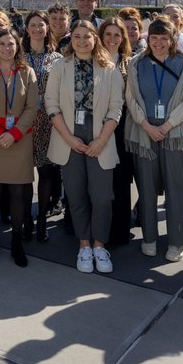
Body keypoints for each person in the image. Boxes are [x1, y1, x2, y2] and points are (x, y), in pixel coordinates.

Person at [46, 20, 124, 274]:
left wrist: (101, 140)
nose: (81, 41)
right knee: (77, 197)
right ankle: (84, 245)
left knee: (102, 198)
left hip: (100, 136)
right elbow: (51, 104)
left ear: (95, 39)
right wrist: (69, 139)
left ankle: (100, 245)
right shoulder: (60, 66)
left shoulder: (109, 69)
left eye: (86, 37)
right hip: (69, 137)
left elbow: (116, 108)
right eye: (77, 36)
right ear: (71, 39)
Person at [125, 17, 183, 262]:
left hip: (174, 133)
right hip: (143, 133)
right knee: (146, 187)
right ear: (148, 39)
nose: (158, 43)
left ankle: (177, 241)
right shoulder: (137, 63)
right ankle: (149, 237)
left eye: (163, 38)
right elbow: (131, 98)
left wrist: (165, 126)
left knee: (176, 189)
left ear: (172, 38)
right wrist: (145, 124)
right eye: (154, 38)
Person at [0, 28, 38, 267]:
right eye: (2, 44)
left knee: (18, 194)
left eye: (11, 44)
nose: (7, 48)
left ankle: (16, 243)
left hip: (19, 140)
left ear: (17, 46)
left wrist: (13, 134)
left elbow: (32, 108)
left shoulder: (27, 72)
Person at [23, 11, 62, 242]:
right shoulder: (19, 56)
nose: (37, 29)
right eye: (33, 25)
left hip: (50, 121)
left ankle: (42, 220)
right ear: (27, 29)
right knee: (25, 174)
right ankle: (27, 218)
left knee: (47, 171)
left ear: (47, 28)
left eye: (41, 25)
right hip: (26, 122)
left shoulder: (57, 58)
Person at [98, 17, 135, 247]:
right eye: (108, 34)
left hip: (123, 128)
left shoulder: (130, 63)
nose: (112, 39)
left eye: (117, 35)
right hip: (97, 126)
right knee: (100, 182)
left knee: (120, 182)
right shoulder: (94, 60)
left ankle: (119, 231)